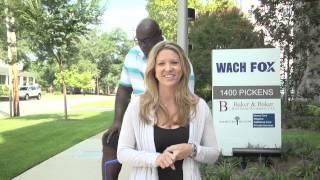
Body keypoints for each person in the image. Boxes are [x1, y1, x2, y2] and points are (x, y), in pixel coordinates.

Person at [101, 18, 195, 180]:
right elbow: (124, 89)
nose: (142, 46)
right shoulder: (133, 55)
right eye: (139, 41)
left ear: (159, 36)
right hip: (139, 118)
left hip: (168, 120)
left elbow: (186, 99)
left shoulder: (176, 58)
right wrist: (118, 121)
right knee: (110, 140)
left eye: (146, 41)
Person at [117, 41, 219, 180]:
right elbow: (122, 153)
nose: (168, 68)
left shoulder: (199, 107)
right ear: (153, 69)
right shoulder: (137, 106)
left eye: (174, 63)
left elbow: (213, 154)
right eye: (161, 64)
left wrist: (191, 149)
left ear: (183, 67)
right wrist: (156, 159)